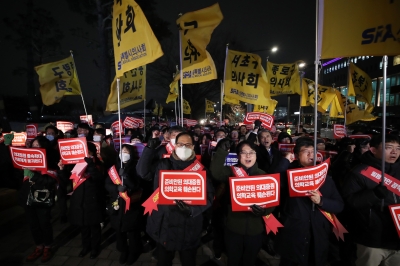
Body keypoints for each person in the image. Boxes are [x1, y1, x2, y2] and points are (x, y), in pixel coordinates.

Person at [138, 132, 214, 266]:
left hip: (189, 227)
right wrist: (149, 150)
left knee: (188, 261)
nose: (183, 147)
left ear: (193, 147)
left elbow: (209, 196)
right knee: (163, 262)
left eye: (188, 144)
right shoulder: (163, 164)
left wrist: (192, 210)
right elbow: (143, 172)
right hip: (164, 225)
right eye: (180, 144)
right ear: (174, 146)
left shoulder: (201, 169)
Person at [210, 139, 286, 265]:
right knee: (233, 259)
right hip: (233, 228)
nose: (248, 155)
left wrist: (264, 210)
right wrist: (222, 151)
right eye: (244, 152)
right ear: (238, 156)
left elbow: (272, 201)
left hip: (255, 230)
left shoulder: (264, 176)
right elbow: (215, 172)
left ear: (256, 155)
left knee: (250, 260)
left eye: (251, 152)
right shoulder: (231, 173)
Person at [276, 137, 344, 266]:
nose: (310, 155)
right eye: (306, 151)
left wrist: (321, 201)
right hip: (294, 235)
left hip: (318, 237)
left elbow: (339, 205)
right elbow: (274, 182)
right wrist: (285, 160)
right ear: (297, 155)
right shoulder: (288, 175)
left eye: (313, 151)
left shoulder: (326, 178)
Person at [342, 134, 400, 266]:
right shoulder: (360, 172)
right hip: (371, 239)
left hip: (396, 238)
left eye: (398, 148)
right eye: (389, 147)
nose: (394, 152)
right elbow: (349, 201)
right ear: (373, 150)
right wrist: (374, 194)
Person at [60, 142, 105, 259]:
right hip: (79, 201)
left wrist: (90, 165)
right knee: (83, 227)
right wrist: (62, 170)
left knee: (94, 227)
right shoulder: (76, 165)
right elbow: (67, 181)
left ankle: (95, 248)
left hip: (93, 201)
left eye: (87, 152)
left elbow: (98, 179)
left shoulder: (98, 165)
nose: (85, 155)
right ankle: (85, 247)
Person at [19, 136, 59, 263]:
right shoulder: (26, 162)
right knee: (33, 225)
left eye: (37, 145)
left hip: (42, 199)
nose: (34, 148)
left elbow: (50, 181)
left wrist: (34, 176)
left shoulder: (50, 162)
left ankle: (48, 247)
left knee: (44, 224)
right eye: (33, 145)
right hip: (28, 198)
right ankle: (38, 246)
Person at [105, 144, 143, 265]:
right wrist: (117, 188)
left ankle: (133, 251)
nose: (124, 154)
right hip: (117, 203)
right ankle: (123, 251)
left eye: (127, 151)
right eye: (122, 151)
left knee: (132, 231)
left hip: (131, 204)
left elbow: (137, 185)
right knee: (119, 230)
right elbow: (107, 184)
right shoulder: (113, 168)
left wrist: (125, 177)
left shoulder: (137, 167)